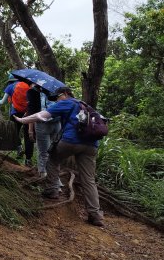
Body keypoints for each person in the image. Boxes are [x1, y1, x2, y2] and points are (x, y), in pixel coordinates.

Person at [14, 86, 105, 227]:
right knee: (88, 179)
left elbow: (41, 116)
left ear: (65, 94)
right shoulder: (86, 106)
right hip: (91, 145)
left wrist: (21, 120)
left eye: (57, 97)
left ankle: (52, 190)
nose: (56, 100)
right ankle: (95, 215)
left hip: (71, 141)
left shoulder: (67, 103)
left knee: (52, 159)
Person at [0, 73, 34, 166]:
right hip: (27, 114)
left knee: (14, 132)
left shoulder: (10, 87)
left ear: (10, 81)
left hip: (15, 114)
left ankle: (19, 148)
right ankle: (28, 160)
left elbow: (2, 102)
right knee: (28, 136)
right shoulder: (28, 85)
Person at [26, 83, 61, 178]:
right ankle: (55, 175)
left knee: (43, 152)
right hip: (57, 124)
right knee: (53, 151)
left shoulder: (33, 92)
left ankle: (44, 175)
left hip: (42, 124)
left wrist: (30, 130)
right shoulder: (55, 90)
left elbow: (31, 112)